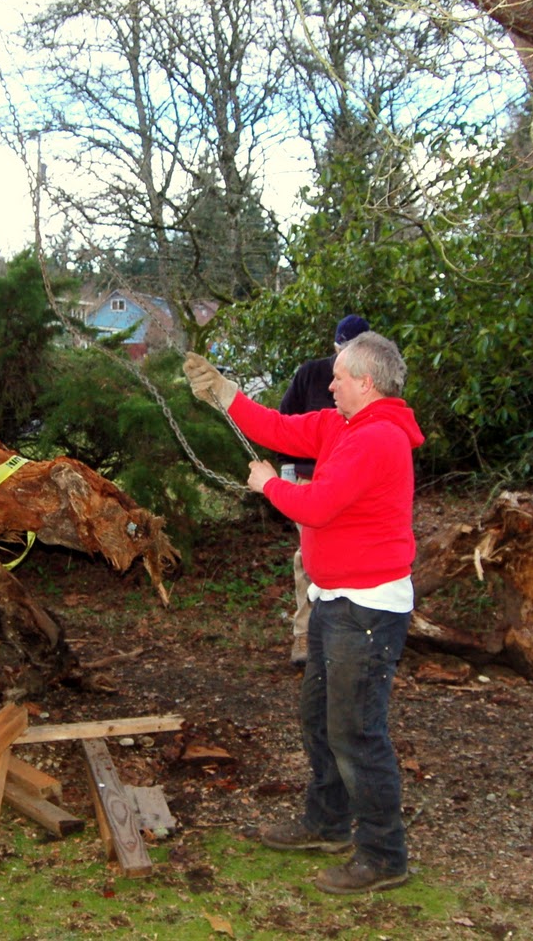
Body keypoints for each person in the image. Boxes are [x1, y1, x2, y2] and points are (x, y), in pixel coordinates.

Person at [183, 333, 424, 895]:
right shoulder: (342, 426)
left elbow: (316, 505)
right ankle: (328, 822)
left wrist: (268, 484)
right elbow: (280, 429)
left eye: (339, 376)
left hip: (366, 609)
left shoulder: (379, 438)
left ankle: (384, 855)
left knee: (357, 733)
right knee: (320, 720)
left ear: (366, 383)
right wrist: (224, 394)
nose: (329, 383)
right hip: (335, 600)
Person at [278, 314, 370, 667]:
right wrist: (286, 473)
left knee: (351, 556)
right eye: (342, 351)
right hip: (311, 479)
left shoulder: (375, 382)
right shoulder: (312, 374)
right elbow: (284, 421)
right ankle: (304, 634)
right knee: (308, 558)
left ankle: (348, 635)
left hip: (355, 483)